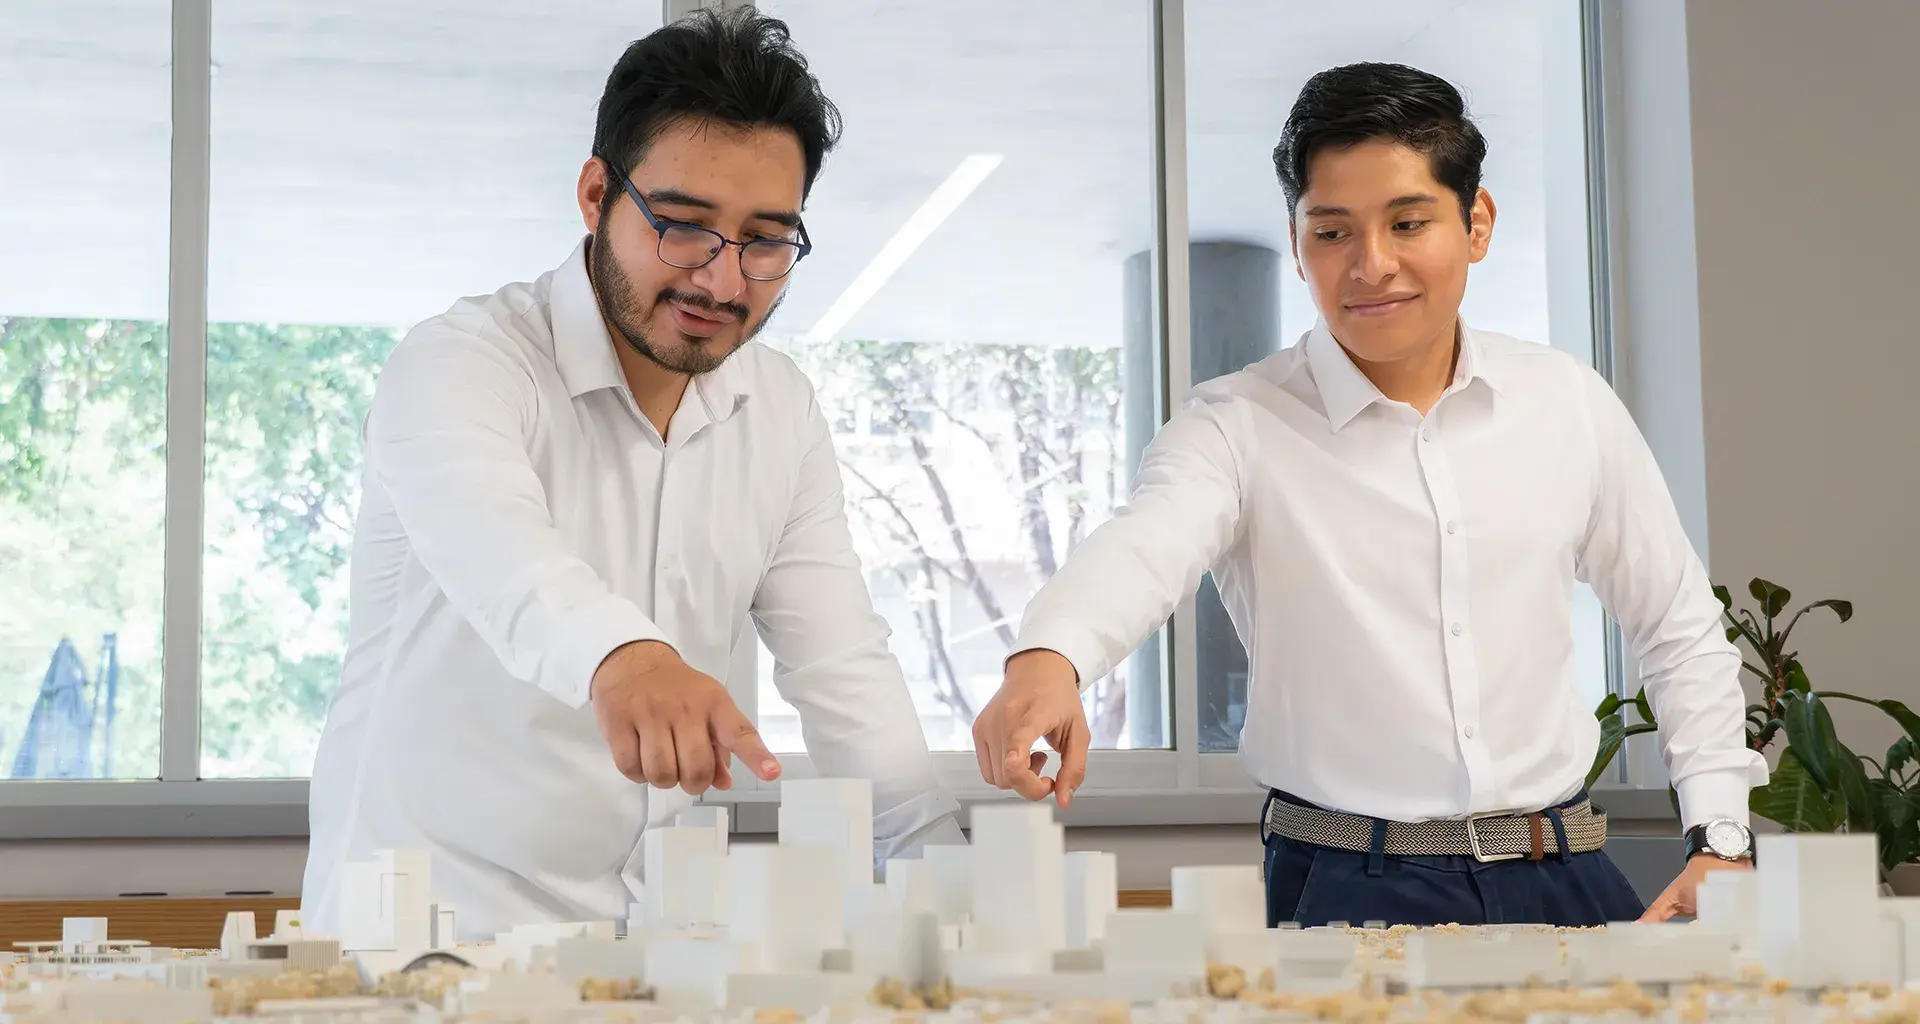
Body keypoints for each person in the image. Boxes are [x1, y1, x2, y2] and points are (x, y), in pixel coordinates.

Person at [971, 62, 1767, 928]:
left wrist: (1721, 837)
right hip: (1351, 887)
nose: (1372, 265)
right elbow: (1143, 545)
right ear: (1297, 244)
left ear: (1477, 223)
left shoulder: (1565, 401)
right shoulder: (1237, 423)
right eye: (1333, 232)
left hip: (1568, 872)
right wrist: (1048, 658)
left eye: (1408, 222)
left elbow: (1678, 625)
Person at [302, 8, 962, 941]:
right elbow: (500, 551)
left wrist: (957, 883)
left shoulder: (779, 410)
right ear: (595, 194)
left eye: (766, 242)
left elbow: (842, 666)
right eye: (684, 228)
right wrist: (628, 659)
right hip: (424, 941)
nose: (722, 283)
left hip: (648, 953)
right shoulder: (461, 363)